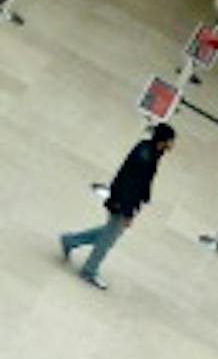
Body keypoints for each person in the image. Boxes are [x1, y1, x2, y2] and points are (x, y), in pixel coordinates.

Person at [58, 116, 174, 285]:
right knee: (108, 239)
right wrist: (128, 212)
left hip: (123, 200)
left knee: (110, 232)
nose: (172, 144)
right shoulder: (146, 156)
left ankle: (70, 240)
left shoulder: (150, 151)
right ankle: (89, 270)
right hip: (122, 201)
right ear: (163, 141)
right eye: (171, 140)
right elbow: (131, 185)